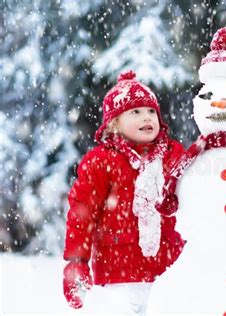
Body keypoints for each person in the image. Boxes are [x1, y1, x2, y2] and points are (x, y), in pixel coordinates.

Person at [62, 70, 185, 315]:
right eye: (135, 112)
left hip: (169, 272)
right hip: (118, 275)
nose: (147, 117)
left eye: (151, 111)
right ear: (114, 122)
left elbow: (194, 200)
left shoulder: (173, 155)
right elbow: (82, 214)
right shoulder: (101, 161)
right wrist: (76, 262)